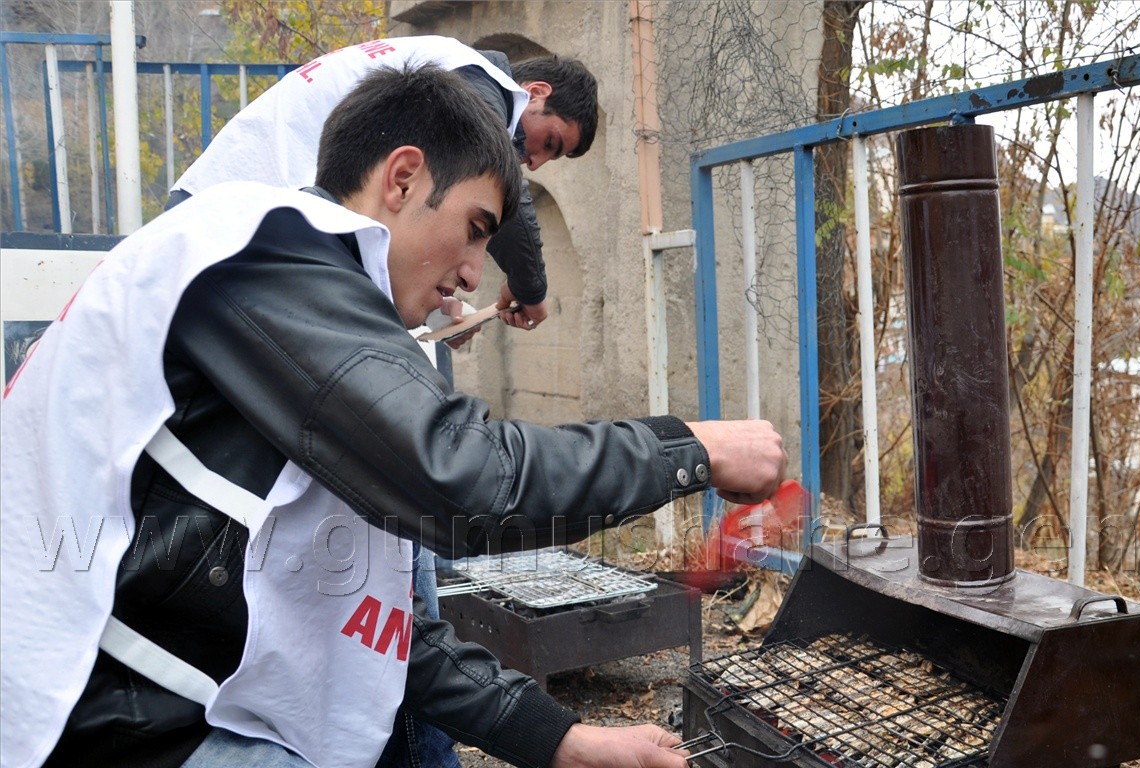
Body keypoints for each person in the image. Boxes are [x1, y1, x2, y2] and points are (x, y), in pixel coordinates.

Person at [0, 64, 787, 768]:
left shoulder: (306, 318)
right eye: (475, 229)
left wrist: (560, 740)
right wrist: (689, 448)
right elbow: (465, 479)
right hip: (102, 719)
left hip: (172, 708)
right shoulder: (259, 249)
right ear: (403, 178)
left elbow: (375, 632)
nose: (474, 273)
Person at [167, 34, 599, 333]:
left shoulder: (444, 69)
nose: (535, 161)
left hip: (229, 209)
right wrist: (530, 287)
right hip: (234, 217)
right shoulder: (476, 77)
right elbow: (497, 182)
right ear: (536, 92)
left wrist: (428, 305)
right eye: (550, 143)